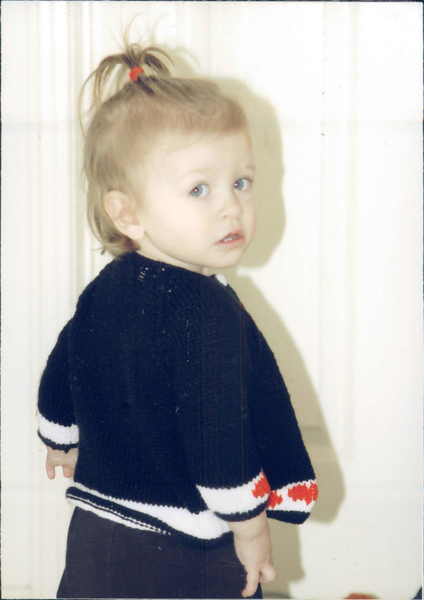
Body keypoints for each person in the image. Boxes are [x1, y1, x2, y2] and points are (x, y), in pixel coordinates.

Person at [36, 35, 318, 600]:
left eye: (241, 182)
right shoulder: (206, 311)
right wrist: (250, 527)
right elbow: (219, 436)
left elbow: (66, 363)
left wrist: (59, 437)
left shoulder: (107, 287)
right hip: (188, 546)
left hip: (99, 529)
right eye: (199, 189)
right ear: (127, 213)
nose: (230, 205)